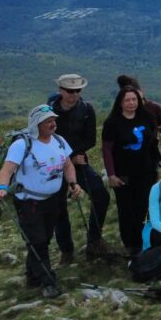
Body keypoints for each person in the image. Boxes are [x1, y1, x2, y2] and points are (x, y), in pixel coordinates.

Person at [0, 105, 84, 298]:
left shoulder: (59, 141)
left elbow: (67, 165)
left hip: (52, 200)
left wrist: (73, 183)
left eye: (54, 120)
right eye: (48, 121)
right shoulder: (22, 145)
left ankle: (33, 276)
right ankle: (48, 282)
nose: (53, 124)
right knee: (38, 241)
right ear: (36, 124)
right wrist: (2, 188)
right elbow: (7, 170)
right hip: (29, 202)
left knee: (43, 239)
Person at [48, 73, 113, 263]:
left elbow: (90, 139)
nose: (74, 94)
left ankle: (94, 240)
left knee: (101, 194)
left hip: (79, 161)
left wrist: (75, 154)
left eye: (77, 90)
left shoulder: (86, 109)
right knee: (59, 206)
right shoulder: (49, 111)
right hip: (56, 163)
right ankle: (66, 250)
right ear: (61, 90)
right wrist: (68, 157)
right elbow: (45, 138)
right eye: (70, 91)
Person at [101, 85, 159, 257]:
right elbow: (107, 150)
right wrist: (111, 174)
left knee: (144, 208)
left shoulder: (147, 117)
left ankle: (144, 241)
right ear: (120, 102)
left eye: (134, 99)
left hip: (145, 172)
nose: (131, 103)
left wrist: (156, 164)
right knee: (126, 210)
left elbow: (152, 142)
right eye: (127, 100)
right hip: (122, 173)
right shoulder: (112, 123)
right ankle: (130, 244)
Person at [117, 75, 161, 157]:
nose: (133, 101)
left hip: (150, 151)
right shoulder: (119, 111)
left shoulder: (154, 108)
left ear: (141, 91)